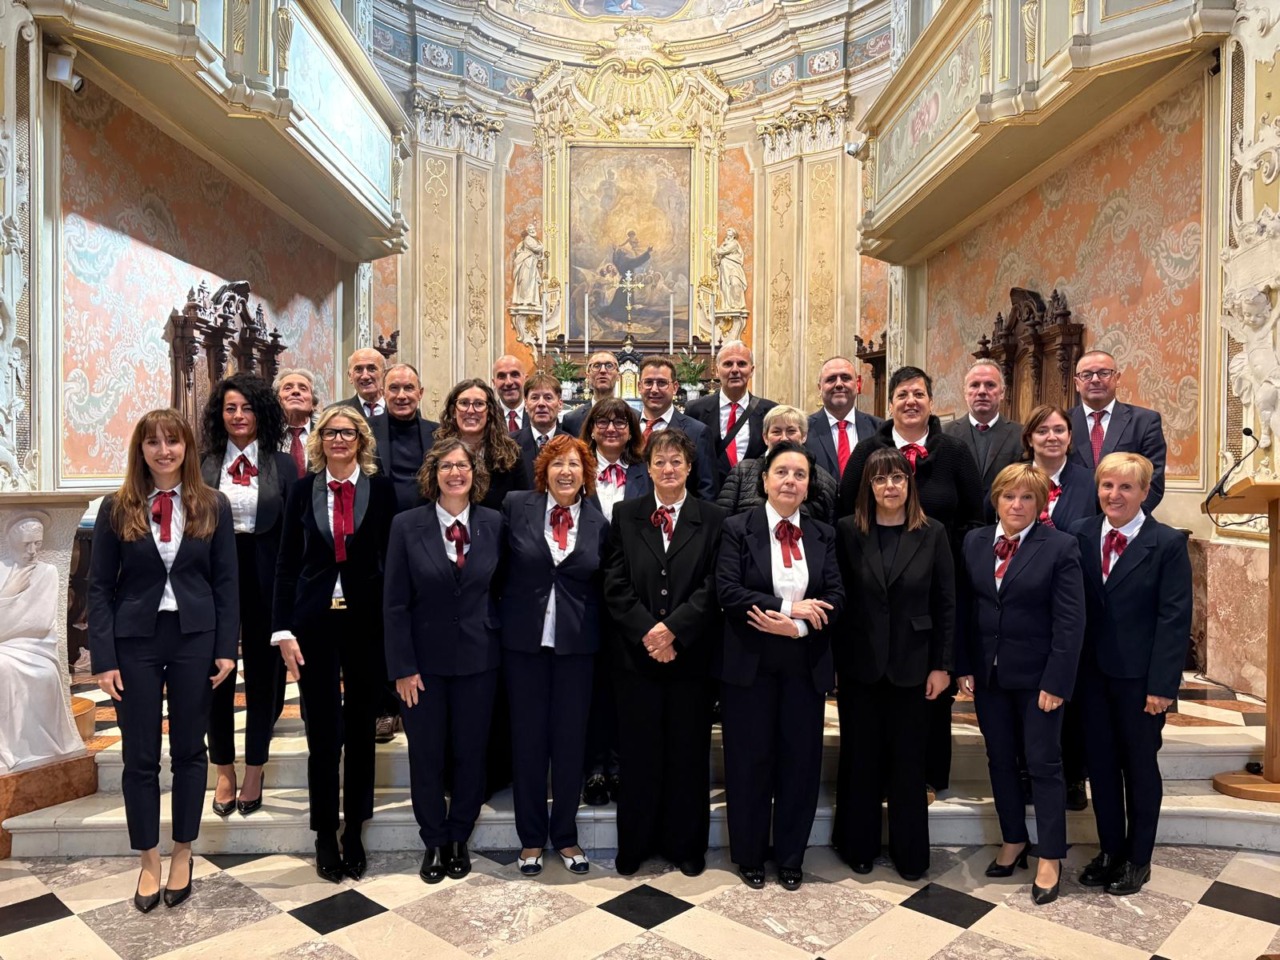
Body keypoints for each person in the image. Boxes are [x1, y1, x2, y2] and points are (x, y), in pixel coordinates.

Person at [88, 409, 238, 912]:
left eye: (172, 441)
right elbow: (99, 588)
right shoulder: (117, 507)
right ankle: (148, 858)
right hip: (136, 642)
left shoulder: (212, 505)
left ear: (186, 449)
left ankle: (183, 851)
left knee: (191, 751)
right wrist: (105, 657)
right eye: (153, 443)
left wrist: (225, 647)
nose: (163, 451)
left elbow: (225, 583)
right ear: (141, 451)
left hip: (194, 637)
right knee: (141, 756)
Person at [837, 366, 983, 792]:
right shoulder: (869, 451)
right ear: (891, 403)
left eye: (919, 393)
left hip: (935, 582)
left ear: (931, 401)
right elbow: (848, 511)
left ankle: (926, 779)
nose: (910, 402)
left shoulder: (954, 451)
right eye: (902, 395)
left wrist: (946, 557)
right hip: (875, 585)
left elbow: (976, 514)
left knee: (926, 701)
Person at [272, 406, 397, 883]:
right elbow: (286, 563)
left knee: (362, 731)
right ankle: (325, 831)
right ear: (320, 441)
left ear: (361, 439)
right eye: (330, 433)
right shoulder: (304, 491)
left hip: (366, 622)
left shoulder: (381, 491)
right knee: (322, 733)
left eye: (347, 432)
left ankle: (355, 831)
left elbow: (392, 558)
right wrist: (282, 629)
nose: (339, 439)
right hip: (314, 623)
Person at [715, 440, 844, 891]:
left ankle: (791, 855)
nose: (791, 480)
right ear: (764, 480)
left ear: (809, 485)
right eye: (782, 472)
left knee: (800, 763)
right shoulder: (736, 527)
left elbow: (836, 597)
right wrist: (790, 610)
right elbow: (728, 591)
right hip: (748, 664)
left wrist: (801, 630)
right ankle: (749, 853)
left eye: (800, 474)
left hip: (804, 664)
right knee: (749, 761)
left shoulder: (824, 534)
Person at [956, 463, 1085, 907]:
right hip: (990, 677)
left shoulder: (1060, 547)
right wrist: (965, 665)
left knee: (1043, 763)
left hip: (1039, 680)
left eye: (1027, 497)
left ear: (1041, 503)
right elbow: (967, 610)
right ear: (996, 499)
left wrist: (1057, 680)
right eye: (1009, 496)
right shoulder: (974, 542)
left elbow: (1071, 622)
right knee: (1000, 760)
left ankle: (1050, 853)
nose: (1016, 505)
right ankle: (1014, 838)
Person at [603, 429, 726, 877]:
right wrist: (648, 632)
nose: (669, 469)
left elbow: (715, 586)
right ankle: (635, 845)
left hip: (690, 658)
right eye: (660, 462)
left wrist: (674, 630)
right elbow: (614, 582)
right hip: (636, 659)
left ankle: (685, 845)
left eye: (677, 461)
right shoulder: (625, 514)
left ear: (690, 468)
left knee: (687, 754)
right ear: (647, 468)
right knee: (638, 755)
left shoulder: (713, 518)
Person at [384, 438, 504, 885]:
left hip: (480, 659)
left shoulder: (494, 522)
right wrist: (402, 666)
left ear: (475, 474)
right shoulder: (406, 525)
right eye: (447, 466)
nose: (456, 473)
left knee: (472, 754)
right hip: (422, 665)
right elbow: (394, 604)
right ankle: (433, 840)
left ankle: (459, 837)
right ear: (432, 474)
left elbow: (503, 587)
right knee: (428, 755)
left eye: (464, 466)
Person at [1072, 453, 1191, 896]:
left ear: (1145, 492)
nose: (1114, 495)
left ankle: (1139, 858)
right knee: (1100, 768)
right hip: (1091, 677)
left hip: (1140, 682)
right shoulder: (1080, 534)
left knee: (1139, 768)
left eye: (1126, 487)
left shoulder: (1166, 543)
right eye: (1107, 486)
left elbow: (1174, 619)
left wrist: (1163, 686)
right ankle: (1109, 850)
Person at [834, 447, 954, 881]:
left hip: (915, 665)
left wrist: (942, 665)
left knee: (908, 761)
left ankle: (910, 853)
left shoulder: (933, 532)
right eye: (881, 479)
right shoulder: (847, 531)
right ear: (868, 485)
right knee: (860, 757)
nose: (890, 487)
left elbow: (946, 602)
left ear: (910, 485)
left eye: (898, 479)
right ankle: (857, 846)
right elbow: (838, 599)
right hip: (859, 663)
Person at [500, 435, 610, 877]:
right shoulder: (515, 506)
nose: (566, 471)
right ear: (543, 470)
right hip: (522, 643)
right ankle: (530, 839)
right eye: (557, 463)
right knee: (527, 742)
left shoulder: (599, 523)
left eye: (575, 465)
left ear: (586, 475)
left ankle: (564, 835)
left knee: (569, 743)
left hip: (576, 648)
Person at [199, 373, 297, 820]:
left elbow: (294, 533)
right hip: (213, 578)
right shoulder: (202, 465)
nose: (239, 416)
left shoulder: (285, 465)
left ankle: (255, 766)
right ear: (220, 415)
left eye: (247, 407)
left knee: (265, 676)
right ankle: (223, 767)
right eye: (230, 408)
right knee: (214, 673)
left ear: (263, 412)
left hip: (266, 575)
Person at [1021, 403, 1097, 810]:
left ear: (1070, 436)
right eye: (1043, 431)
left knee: (1070, 691)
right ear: (1029, 438)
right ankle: (1027, 769)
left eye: (1059, 430)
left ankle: (1073, 775)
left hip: (1072, 598)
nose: (1051, 437)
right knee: (1028, 692)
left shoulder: (1090, 483)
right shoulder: (1016, 480)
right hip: (1022, 604)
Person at [0, 519, 86, 774]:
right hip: (8, 646)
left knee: (10, 668)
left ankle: (29, 747)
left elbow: (39, 623)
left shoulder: (47, 572)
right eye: (26, 544)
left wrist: (6, 611)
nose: (33, 551)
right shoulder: (2, 571)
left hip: (35, 649)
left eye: (38, 544)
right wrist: (9, 594)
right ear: (12, 542)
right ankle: (10, 749)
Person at [1068, 350, 1167, 514]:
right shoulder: (1062, 424)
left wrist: (1123, 520)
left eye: (1103, 373)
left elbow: (1153, 481)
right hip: (1070, 526)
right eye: (1086, 375)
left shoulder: (1145, 421)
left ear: (1117, 378)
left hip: (1125, 527)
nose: (1095, 380)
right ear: (1077, 383)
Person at [717, 404, 838, 524]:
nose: (784, 438)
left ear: (804, 436)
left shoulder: (825, 481)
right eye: (776, 431)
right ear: (765, 437)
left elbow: (828, 532)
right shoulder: (742, 472)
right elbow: (721, 522)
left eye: (791, 431)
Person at [684, 341, 777, 493]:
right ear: (716, 370)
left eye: (741, 364)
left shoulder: (770, 411)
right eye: (728, 364)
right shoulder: (695, 410)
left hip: (754, 501)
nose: (735, 370)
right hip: (710, 501)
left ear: (751, 370)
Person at [436, 379, 529, 512]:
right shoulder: (438, 452)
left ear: (489, 412)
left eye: (479, 404)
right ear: (453, 411)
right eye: (463, 403)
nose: (471, 410)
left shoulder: (511, 454)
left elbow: (522, 505)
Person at [943, 360, 1023, 517]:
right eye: (974, 385)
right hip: (957, 530)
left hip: (1003, 526)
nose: (982, 391)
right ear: (965, 392)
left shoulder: (1020, 435)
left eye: (990, 385)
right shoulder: (944, 434)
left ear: (1002, 392)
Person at [637, 355, 716, 499]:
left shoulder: (697, 432)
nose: (654, 389)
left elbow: (706, 490)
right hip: (629, 517)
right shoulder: (625, 428)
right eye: (648, 382)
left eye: (662, 383)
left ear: (675, 387)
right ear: (639, 387)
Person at [370, 363, 439, 514]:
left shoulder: (439, 433)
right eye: (394, 388)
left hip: (426, 521)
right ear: (383, 393)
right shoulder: (365, 431)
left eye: (408, 388)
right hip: (381, 522)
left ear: (420, 393)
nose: (401, 396)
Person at [806, 357, 883, 482]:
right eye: (831, 379)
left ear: (858, 384)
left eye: (845, 378)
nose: (839, 384)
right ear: (820, 388)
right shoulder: (804, 429)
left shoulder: (879, 428)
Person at [582, 398, 650, 521]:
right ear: (592, 429)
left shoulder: (647, 471)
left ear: (630, 432)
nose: (611, 429)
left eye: (619, 422)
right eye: (603, 422)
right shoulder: (578, 469)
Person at [515, 373, 568, 479]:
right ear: (526, 405)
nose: (541, 404)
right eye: (534, 398)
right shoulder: (510, 444)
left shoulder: (572, 445)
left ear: (560, 404)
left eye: (548, 398)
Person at [275, 367, 320, 476]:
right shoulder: (265, 435)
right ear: (277, 400)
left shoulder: (325, 435)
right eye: (288, 388)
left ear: (313, 403)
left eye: (303, 388)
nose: (295, 391)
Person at [563, 351, 620, 437]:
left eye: (609, 365)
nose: (603, 371)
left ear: (618, 376)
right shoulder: (571, 419)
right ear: (588, 376)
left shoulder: (633, 416)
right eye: (596, 366)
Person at [337, 348, 386, 419]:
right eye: (358, 369)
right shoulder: (334, 413)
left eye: (372, 369)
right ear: (350, 376)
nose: (365, 376)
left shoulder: (398, 410)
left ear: (384, 374)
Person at [492, 355, 528, 433]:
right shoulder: (488, 416)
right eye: (501, 376)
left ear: (525, 379)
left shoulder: (537, 414)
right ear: (494, 382)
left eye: (515, 375)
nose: (509, 382)